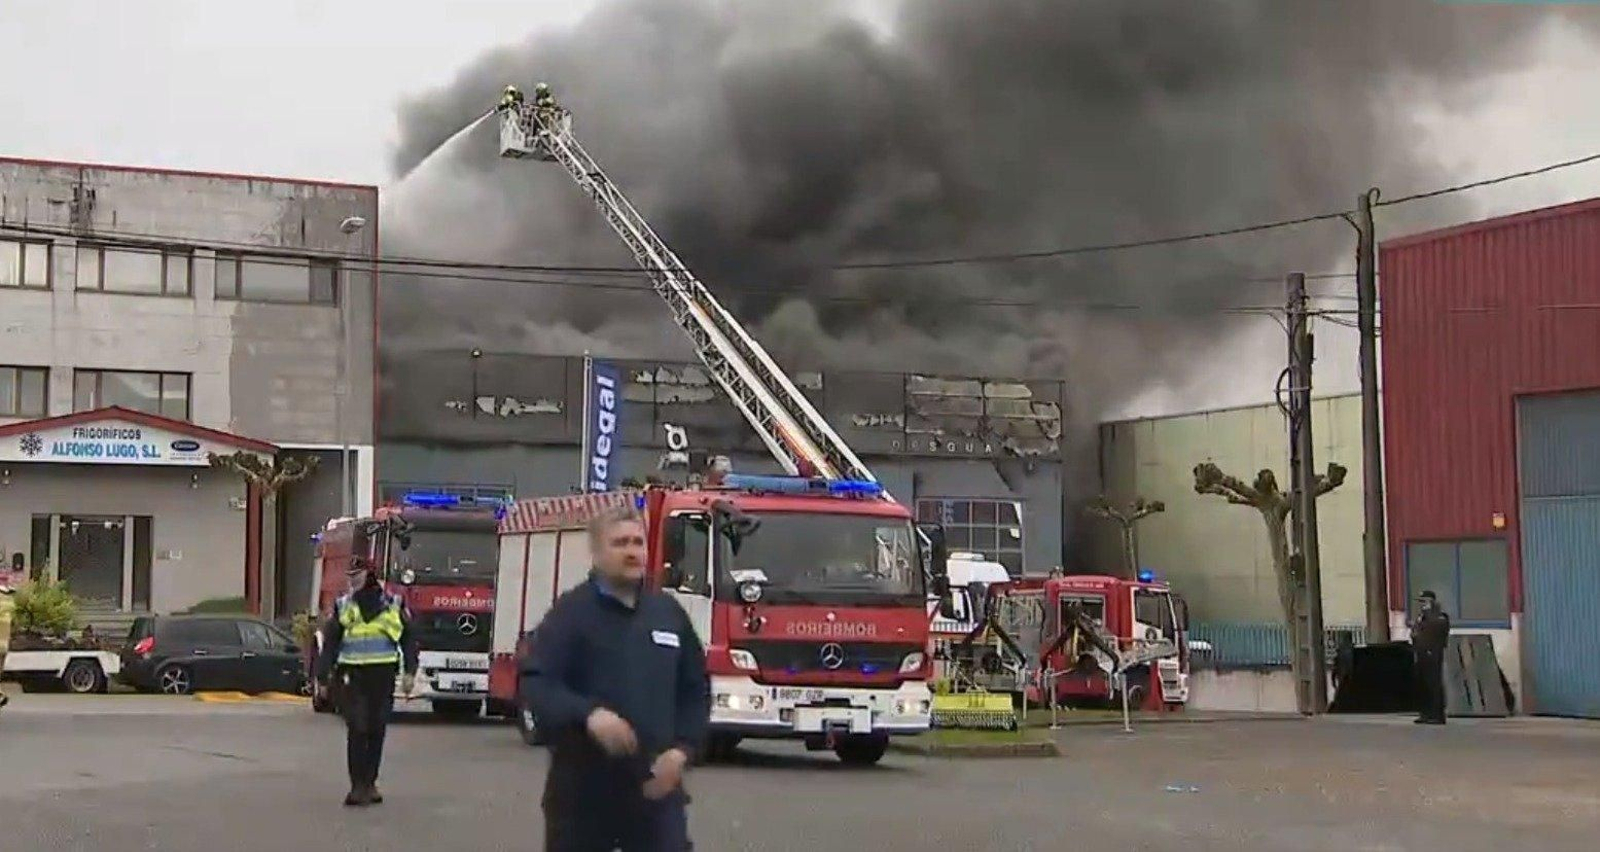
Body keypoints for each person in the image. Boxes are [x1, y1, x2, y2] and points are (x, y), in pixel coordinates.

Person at [522, 506, 710, 851]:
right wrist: (589, 714)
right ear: (596, 552)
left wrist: (683, 750)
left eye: (638, 542)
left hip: (656, 796)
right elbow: (537, 684)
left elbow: (695, 690)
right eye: (620, 543)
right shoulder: (570, 615)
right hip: (584, 799)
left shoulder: (667, 614)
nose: (632, 551)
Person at [314, 557, 419, 806]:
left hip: (382, 674)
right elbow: (331, 642)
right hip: (352, 675)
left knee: (376, 728)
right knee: (358, 727)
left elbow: (408, 638)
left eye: (357, 574)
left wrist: (409, 672)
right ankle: (357, 786)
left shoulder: (393, 603)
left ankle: (370, 783)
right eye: (350, 575)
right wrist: (323, 676)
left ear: (369, 574)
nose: (352, 580)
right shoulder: (344, 605)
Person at [1410, 590, 1451, 725]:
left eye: (1424, 602)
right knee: (1423, 684)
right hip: (1421, 653)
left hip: (1433, 653)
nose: (1422, 605)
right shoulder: (1421, 616)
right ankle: (1425, 713)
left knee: (1434, 684)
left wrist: (1428, 615)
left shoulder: (1439, 616)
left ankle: (1437, 714)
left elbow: (1439, 630)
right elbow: (1416, 631)